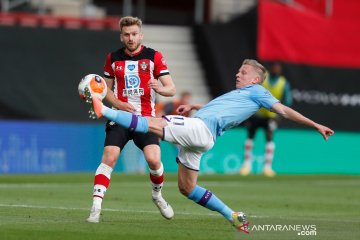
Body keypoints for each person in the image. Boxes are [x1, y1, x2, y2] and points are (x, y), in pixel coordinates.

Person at [84, 59, 334, 231]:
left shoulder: (258, 92)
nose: (238, 74)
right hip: (203, 137)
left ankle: (104, 108)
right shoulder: (241, 94)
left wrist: (315, 125)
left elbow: (284, 110)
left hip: (199, 130)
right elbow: (220, 110)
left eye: (243, 72)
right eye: (238, 70)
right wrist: (195, 107)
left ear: (256, 79)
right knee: (186, 188)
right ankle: (233, 215)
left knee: (152, 122)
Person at [86, 16, 176, 223]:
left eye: (134, 34)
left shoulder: (154, 56)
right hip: (120, 117)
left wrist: (160, 88)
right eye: (126, 34)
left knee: (154, 160)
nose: (130, 38)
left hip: (146, 119)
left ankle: (157, 195)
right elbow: (104, 90)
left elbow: (171, 88)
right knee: (109, 157)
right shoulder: (113, 58)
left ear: (140, 35)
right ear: (121, 37)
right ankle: (95, 208)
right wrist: (118, 104)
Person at [239, 62, 292, 177]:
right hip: (256, 114)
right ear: (271, 68)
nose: (275, 70)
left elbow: (287, 100)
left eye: (278, 68)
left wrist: (279, 113)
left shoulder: (283, 83)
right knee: (250, 137)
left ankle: (267, 167)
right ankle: (246, 165)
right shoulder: (263, 78)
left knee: (269, 137)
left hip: (271, 116)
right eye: (274, 67)